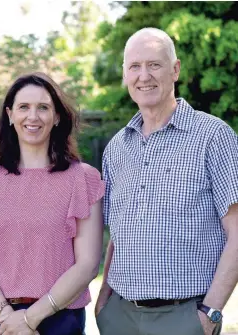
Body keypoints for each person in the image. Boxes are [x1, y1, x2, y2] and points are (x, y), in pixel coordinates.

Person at [95, 27, 238, 335]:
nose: (143, 75)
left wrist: (209, 312)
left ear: (175, 70)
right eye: (134, 66)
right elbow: (117, 234)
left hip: (185, 316)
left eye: (154, 64)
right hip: (120, 316)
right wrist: (103, 304)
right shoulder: (116, 148)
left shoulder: (213, 136)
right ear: (125, 75)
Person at [0, 72, 105, 335]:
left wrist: (30, 318)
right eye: (24, 107)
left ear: (57, 116)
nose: (33, 116)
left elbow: (87, 264)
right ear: (9, 114)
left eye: (43, 107)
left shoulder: (82, 179)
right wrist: (7, 316)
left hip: (60, 319)